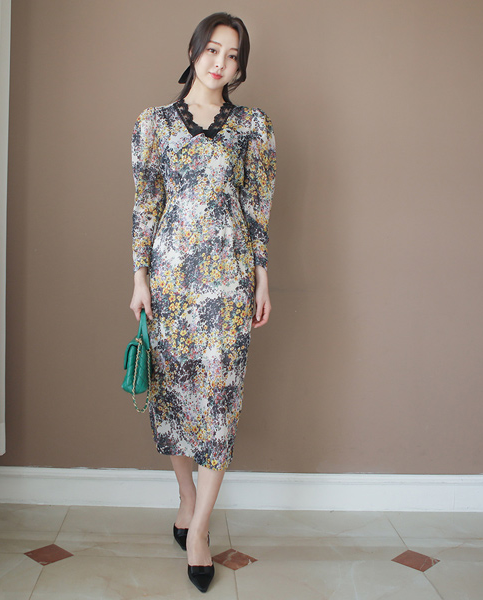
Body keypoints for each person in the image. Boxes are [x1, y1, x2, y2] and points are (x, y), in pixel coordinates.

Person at [129, 12, 276, 593]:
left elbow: (257, 210)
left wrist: (262, 280)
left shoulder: (253, 128)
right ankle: (186, 498)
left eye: (232, 55)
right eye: (213, 49)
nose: (220, 63)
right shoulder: (154, 124)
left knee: (220, 403)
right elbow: (145, 207)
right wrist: (139, 278)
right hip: (171, 284)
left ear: (240, 67)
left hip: (229, 283)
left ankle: (199, 530)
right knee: (174, 398)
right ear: (194, 51)